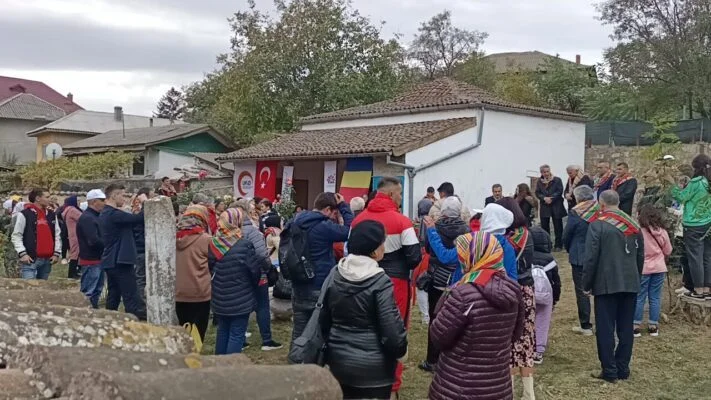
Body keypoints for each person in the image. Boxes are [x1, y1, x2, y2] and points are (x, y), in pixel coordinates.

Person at [428, 231, 524, 400]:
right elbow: (516, 334)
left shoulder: (462, 294)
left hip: (459, 385)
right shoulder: (512, 291)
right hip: (497, 386)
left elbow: (439, 337)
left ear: (470, 256)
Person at [323, 220, 408, 399]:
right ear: (375, 250)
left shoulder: (336, 273)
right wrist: (401, 351)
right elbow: (391, 330)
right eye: (383, 242)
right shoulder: (380, 281)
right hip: (374, 369)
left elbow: (324, 317)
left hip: (338, 361)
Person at [353, 177, 421, 397]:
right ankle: (391, 386)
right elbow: (414, 258)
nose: (401, 197)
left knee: (365, 328)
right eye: (400, 193)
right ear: (391, 194)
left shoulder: (358, 220)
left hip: (361, 279)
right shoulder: (403, 222)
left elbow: (348, 250)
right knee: (394, 331)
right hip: (395, 283)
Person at [583, 190, 644, 383]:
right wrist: (636, 277)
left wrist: (586, 284)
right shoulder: (633, 224)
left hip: (606, 283)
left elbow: (591, 258)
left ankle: (609, 370)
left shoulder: (598, 225)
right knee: (626, 328)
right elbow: (640, 256)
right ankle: (623, 368)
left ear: (601, 204)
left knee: (605, 328)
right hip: (630, 282)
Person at [289, 193, 353, 344]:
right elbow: (350, 231)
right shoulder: (323, 226)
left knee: (299, 330)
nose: (334, 217)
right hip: (319, 284)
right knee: (320, 330)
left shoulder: (295, 222)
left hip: (298, 282)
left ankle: (297, 356)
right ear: (328, 209)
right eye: (334, 213)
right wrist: (344, 207)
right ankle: (315, 357)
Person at [419, 197, 470, 373]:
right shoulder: (466, 230)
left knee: (435, 319)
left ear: (443, 212)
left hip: (437, 278)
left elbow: (428, 249)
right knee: (455, 320)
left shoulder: (435, 228)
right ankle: (451, 358)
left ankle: (432, 360)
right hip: (457, 279)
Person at [496, 197, 536, 400]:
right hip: (528, 290)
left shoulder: (506, 240)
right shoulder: (527, 234)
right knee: (526, 340)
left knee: (510, 341)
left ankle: (509, 390)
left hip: (512, 289)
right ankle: (529, 393)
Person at [210, 208, 261, 355]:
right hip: (241, 295)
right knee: (237, 333)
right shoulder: (244, 244)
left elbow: (210, 267)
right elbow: (254, 271)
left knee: (222, 330)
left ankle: (219, 363)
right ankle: (231, 365)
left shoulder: (214, 244)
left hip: (220, 294)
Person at [234, 199, 282, 351]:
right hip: (257, 274)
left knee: (241, 307)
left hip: (236, 274)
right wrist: (267, 269)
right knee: (262, 306)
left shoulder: (229, 230)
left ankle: (240, 339)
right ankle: (266, 340)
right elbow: (262, 255)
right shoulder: (253, 232)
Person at [100, 184, 147, 320]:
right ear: (114, 196)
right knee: (130, 295)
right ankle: (133, 320)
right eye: (122, 195)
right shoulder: (113, 214)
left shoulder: (107, 213)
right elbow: (139, 218)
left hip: (111, 260)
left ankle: (109, 319)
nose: (124, 198)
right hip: (120, 260)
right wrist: (145, 202)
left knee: (114, 294)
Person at [671, 154, 711, 299]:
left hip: (693, 224)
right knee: (707, 257)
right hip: (708, 222)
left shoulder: (696, 182)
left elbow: (682, 197)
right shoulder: (708, 181)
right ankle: (707, 289)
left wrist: (673, 186)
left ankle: (698, 290)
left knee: (695, 258)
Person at [562, 185, 598, 335]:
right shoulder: (599, 210)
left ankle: (586, 326)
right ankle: (602, 323)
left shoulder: (575, 212)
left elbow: (567, 234)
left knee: (582, 291)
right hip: (598, 254)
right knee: (600, 289)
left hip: (579, 255)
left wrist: (569, 248)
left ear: (578, 198)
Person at [634, 205, 672, 338]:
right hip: (659, 267)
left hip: (643, 268)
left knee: (640, 297)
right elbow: (668, 250)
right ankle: (653, 326)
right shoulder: (662, 232)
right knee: (655, 297)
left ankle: (635, 325)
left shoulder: (638, 232)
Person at [175, 205, 212, 342]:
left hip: (179, 291)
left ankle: (184, 352)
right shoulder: (205, 239)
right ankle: (195, 352)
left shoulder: (174, 238)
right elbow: (214, 262)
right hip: (200, 291)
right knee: (198, 331)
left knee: (184, 327)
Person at [11, 188, 61, 280]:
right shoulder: (25, 214)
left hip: (47, 260)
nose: (50, 199)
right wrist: (22, 253)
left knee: (43, 287)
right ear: (38, 198)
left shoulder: (51, 215)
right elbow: (16, 235)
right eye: (47, 197)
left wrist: (56, 253)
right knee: (29, 288)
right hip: (31, 259)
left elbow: (57, 234)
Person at [529, 226, 561, 364]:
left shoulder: (526, 256)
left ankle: (527, 346)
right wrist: (555, 299)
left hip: (529, 293)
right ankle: (539, 350)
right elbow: (556, 282)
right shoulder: (550, 259)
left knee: (527, 320)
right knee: (542, 321)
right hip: (546, 294)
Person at [76, 189, 106, 308]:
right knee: (89, 291)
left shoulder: (95, 216)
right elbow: (93, 240)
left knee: (97, 290)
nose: (104, 203)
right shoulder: (88, 218)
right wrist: (108, 244)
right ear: (94, 202)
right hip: (91, 259)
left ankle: (93, 309)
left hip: (97, 259)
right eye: (102, 200)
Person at [535, 164, 566, 251]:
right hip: (545, 206)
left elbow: (559, 190)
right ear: (541, 172)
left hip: (556, 205)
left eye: (547, 171)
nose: (546, 173)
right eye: (544, 172)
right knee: (545, 226)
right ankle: (547, 245)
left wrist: (551, 198)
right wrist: (544, 198)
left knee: (558, 226)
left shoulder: (557, 180)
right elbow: (537, 192)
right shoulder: (539, 181)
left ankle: (558, 245)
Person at [131, 187, 152, 303]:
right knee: (140, 277)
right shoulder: (138, 210)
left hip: (144, 247)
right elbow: (143, 218)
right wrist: (145, 203)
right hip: (141, 248)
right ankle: (140, 302)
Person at [61, 195, 83, 279]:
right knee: (75, 254)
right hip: (76, 234)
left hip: (72, 234)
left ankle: (73, 272)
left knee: (74, 253)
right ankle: (72, 273)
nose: (79, 203)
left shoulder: (67, 210)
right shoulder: (72, 210)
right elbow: (83, 218)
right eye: (77, 201)